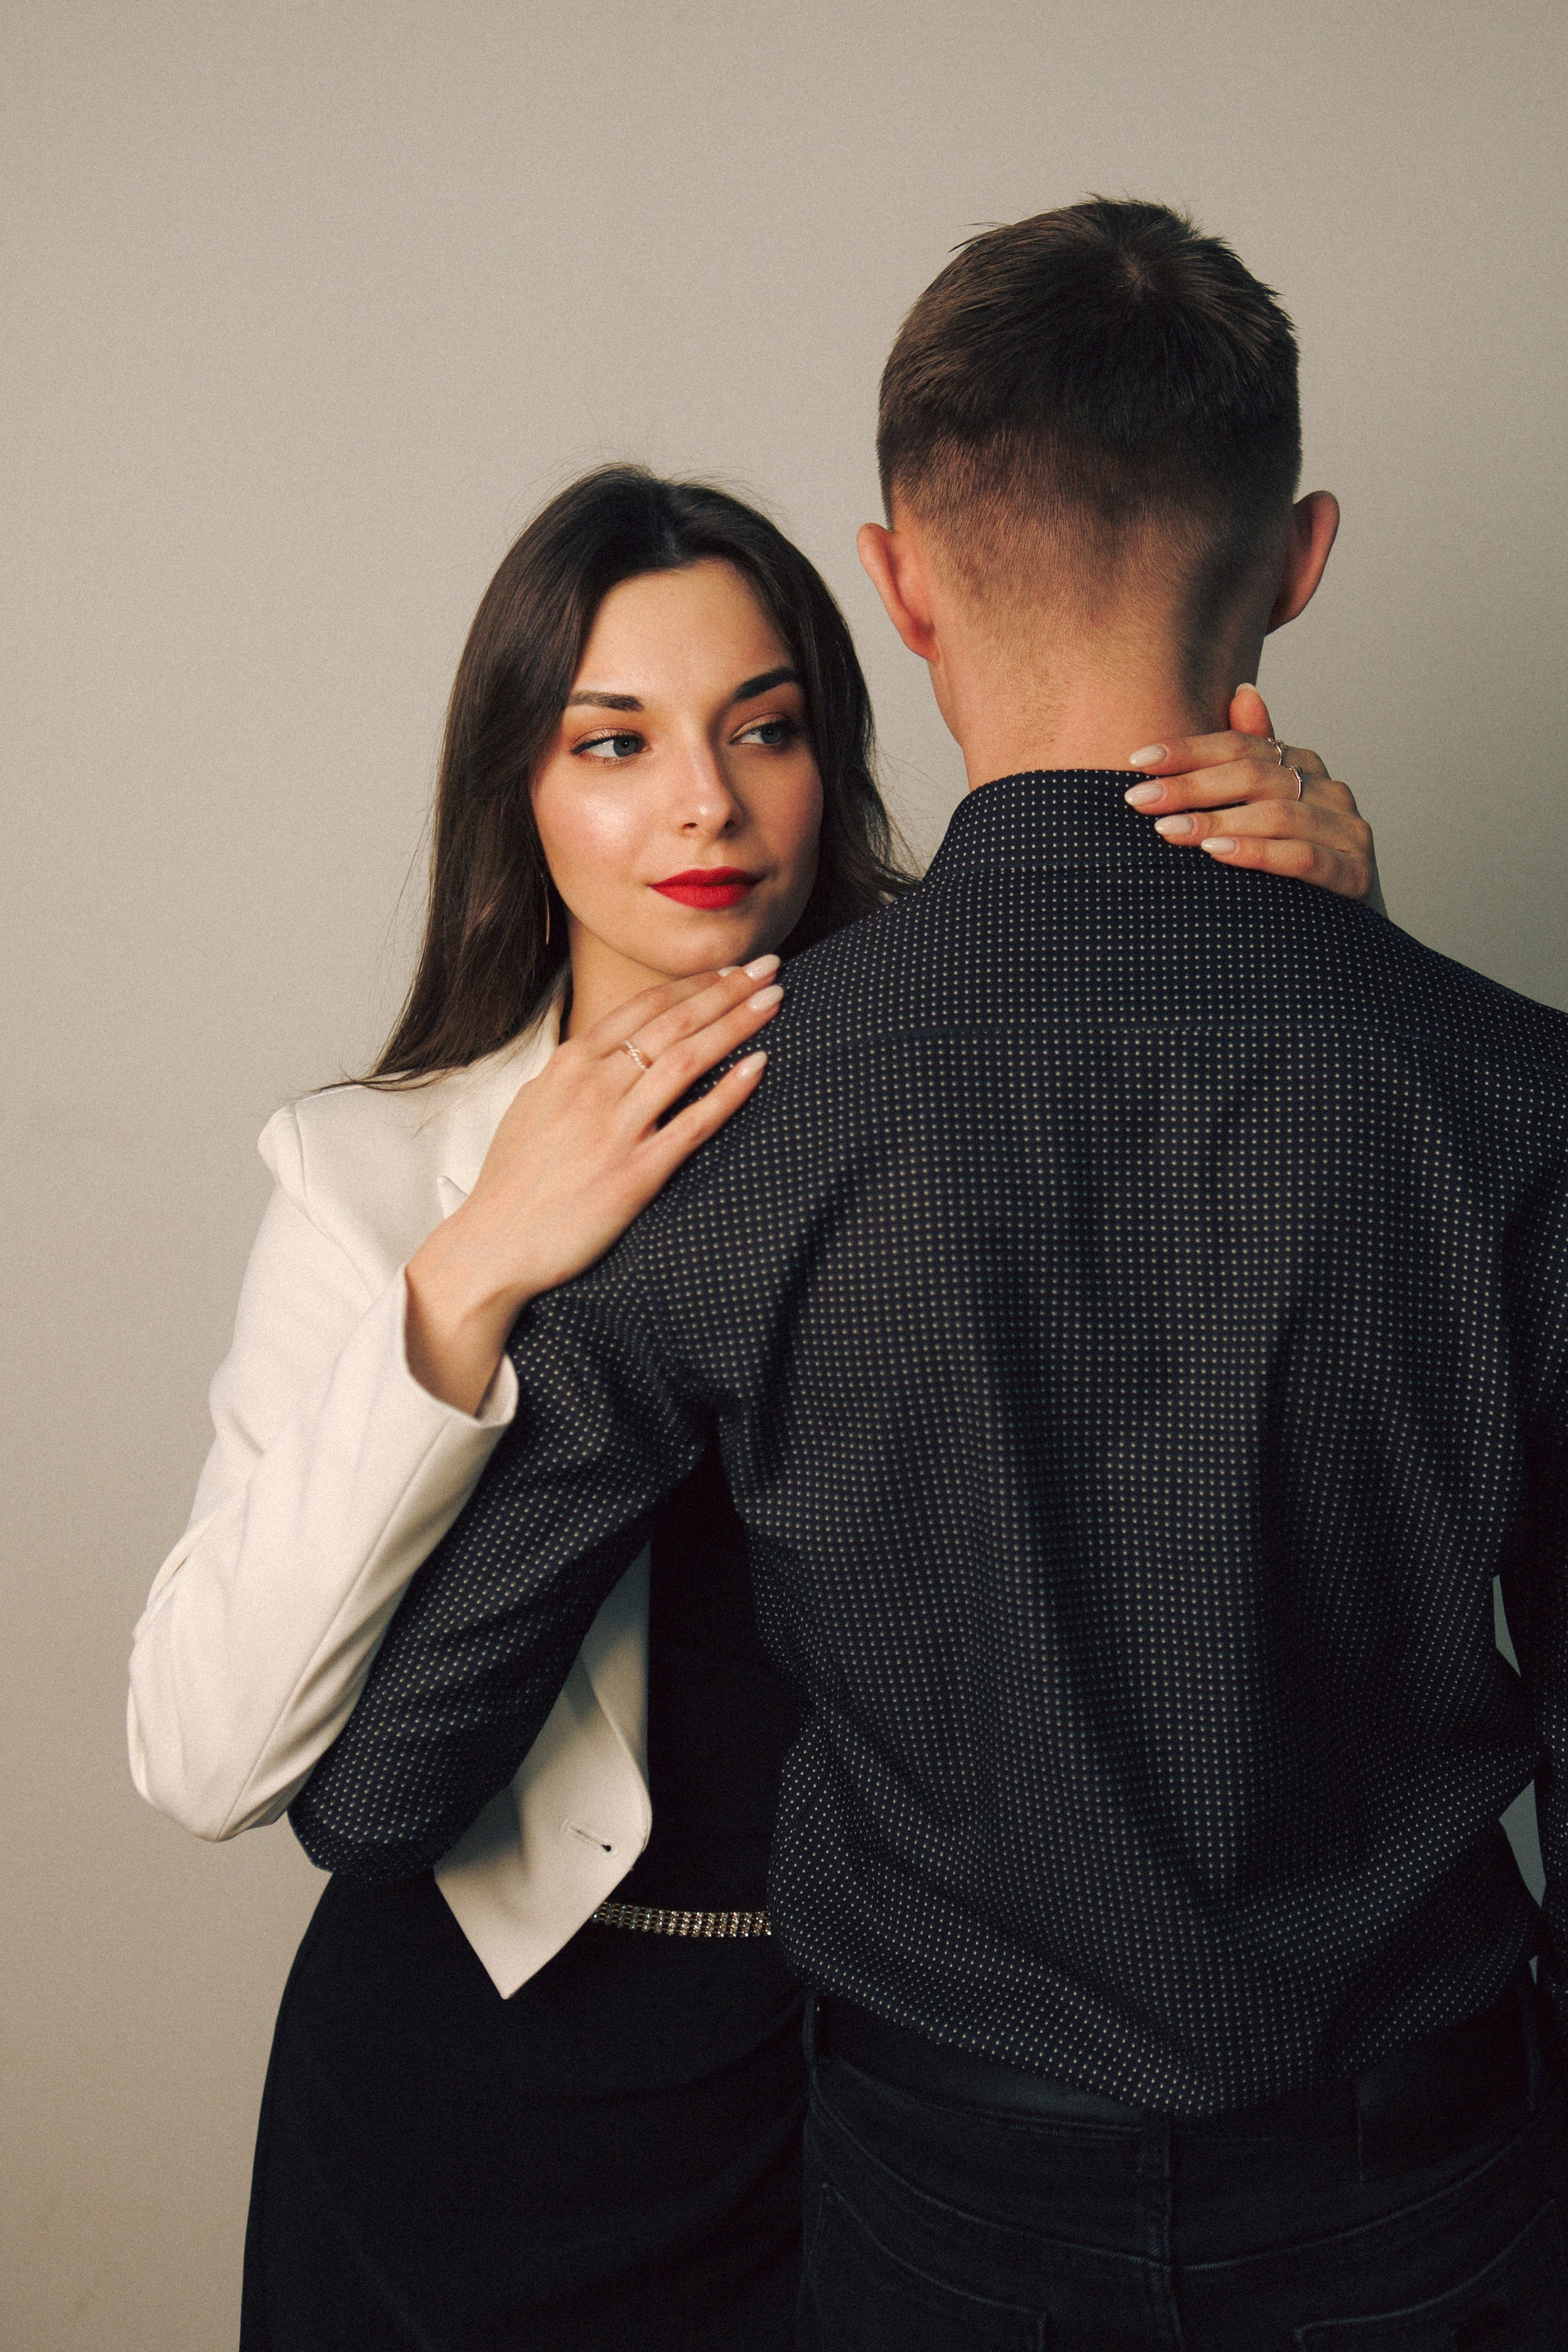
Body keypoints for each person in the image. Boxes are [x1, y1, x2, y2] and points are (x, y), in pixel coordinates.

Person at [288, 201, 1568, 2350]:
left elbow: (386, 1780)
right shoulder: (1511, 1099)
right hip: (1423, 2183)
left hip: (947, 2206)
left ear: (895, 583)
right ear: (1300, 557)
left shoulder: (717, 1119)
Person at [129, 469, 1376, 2348]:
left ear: (839, 749)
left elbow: (1264, 1419)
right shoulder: (373, 1179)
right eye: (613, 742)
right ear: (519, 793)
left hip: (891, 2099)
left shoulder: (970, 1078)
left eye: (764, 729)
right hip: (475, 2107)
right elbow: (210, 1756)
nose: (703, 803)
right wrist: (474, 1272)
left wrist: (1332, 946)